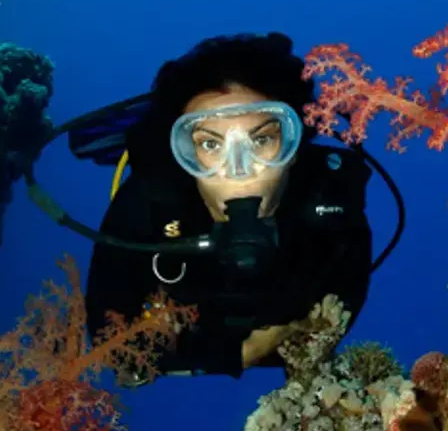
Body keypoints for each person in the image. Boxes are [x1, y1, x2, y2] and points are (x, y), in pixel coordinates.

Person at [79, 33, 375, 378]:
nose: (238, 170)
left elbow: (346, 300)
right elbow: (113, 347)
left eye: (262, 139)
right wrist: (232, 355)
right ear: (183, 155)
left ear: (293, 148)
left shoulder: (330, 202)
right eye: (210, 144)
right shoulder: (146, 208)